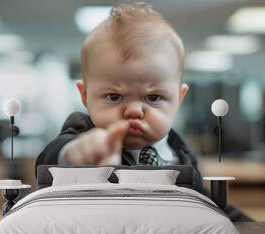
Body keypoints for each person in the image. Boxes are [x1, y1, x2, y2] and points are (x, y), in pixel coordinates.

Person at [35, 2, 250, 221]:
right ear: (85, 95)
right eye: (114, 97)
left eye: (153, 97)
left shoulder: (181, 152)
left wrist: (246, 226)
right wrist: (74, 154)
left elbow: (206, 203)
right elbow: (48, 160)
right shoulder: (83, 132)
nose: (134, 111)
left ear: (178, 99)